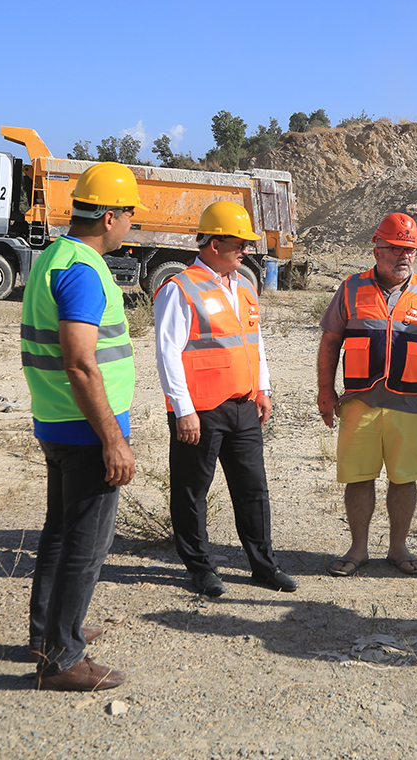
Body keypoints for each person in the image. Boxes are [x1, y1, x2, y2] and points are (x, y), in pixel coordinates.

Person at [21, 161, 144, 691]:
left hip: (56, 422)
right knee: (85, 546)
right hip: (86, 431)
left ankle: (48, 633)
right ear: (111, 216)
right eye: (130, 216)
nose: (131, 226)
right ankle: (62, 660)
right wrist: (112, 439)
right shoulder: (85, 272)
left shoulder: (54, 256)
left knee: (60, 534)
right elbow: (80, 361)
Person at [155, 201, 297, 598]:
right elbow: (167, 354)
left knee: (253, 489)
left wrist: (263, 388)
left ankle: (263, 566)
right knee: (192, 492)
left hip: (243, 407)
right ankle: (200, 569)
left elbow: (255, 342)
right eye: (239, 243)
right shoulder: (180, 288)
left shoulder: (245, 286)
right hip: (200, 412)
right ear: (214, 243)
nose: (246, 250)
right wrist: (183, 410)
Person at [315, 213, 417, 577]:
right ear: (377, 249)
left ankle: (398, 548)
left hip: (408, 404)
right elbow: (331, 340)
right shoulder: (350, 288)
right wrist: (324, 390)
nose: (403, 256)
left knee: (404, 478)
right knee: (359, 477)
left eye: (410, 249)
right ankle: (358, 549)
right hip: (359, 401)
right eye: (395, 248)